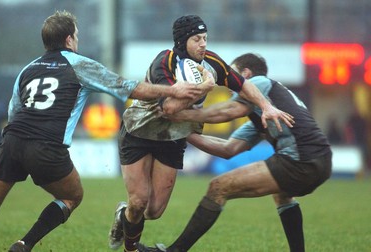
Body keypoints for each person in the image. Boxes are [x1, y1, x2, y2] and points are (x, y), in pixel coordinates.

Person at [0, 10, 215, 252]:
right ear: (69, 40)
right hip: (46, 146)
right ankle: (25, 243)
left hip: (11, 141)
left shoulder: (28, 69)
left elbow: (15, 111)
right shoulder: (80, 65)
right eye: (76, 36)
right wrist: (173, 90)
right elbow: (127, 87)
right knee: (72, 197)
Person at [108, 16, 294, 252]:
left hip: (173, 136)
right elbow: (169, 109)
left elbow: (243, 84)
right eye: (197, 39)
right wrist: (205, 87)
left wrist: (267, 106)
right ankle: (130, 248)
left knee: (153, 210)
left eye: (205, 38)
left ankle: (124, 215)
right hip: (140, 130)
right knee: (138, 201)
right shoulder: (164, 63)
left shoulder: (211, 61)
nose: (203, 44)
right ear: (182, 41)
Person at [137, 53, 332, 252]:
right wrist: (179, 130)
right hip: (321, 161)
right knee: (282, 195)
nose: (228, 82)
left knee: (218, 187)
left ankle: (175, 251)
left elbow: (228, 111)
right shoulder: (262, 112)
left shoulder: (259, 82)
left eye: (232, 75)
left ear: (246, 73)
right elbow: (228, 149)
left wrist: (180, 114)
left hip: (300, 160)